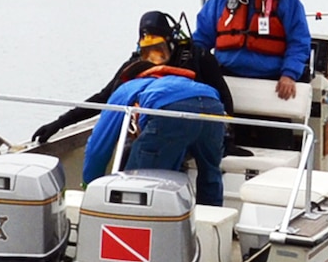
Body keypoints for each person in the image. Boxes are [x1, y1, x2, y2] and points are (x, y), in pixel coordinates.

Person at [30, 10, 233, 146]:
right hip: (152, 128)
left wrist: (228, 136)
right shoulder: (135, 64)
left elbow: (224, 96)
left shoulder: (198, 57)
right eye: (147, 52)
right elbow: (105, 98)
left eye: (160, 50)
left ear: (172, 42)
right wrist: (58, 124)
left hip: (196, 129)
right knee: (128, 151)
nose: (155, 60)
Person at [80, 37, 227, 207]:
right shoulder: (177, 81)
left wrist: (89, 187)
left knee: (136, 181)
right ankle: (210, 222)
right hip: (213, 104)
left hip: (171, 109)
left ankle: (133, 223)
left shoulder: (127, 88)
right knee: (210, 173)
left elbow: (98, 148)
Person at [194, 0, 311, 101]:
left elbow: (299, 40)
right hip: (226, 77)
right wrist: (195, 63)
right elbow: (203, 35)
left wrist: (289, 74)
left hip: (272, 82)